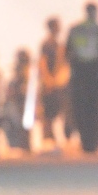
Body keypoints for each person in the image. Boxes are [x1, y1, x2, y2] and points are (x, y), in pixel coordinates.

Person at [66, 2, 98, 154]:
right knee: (95, 108)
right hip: (95, 73)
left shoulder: (75, 29)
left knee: (81, 108)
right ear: (96, 12)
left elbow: (68, 53)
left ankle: (85, 142)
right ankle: (94, 143)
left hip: (79, 73)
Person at [38, 17, 71, 149]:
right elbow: (43, 62)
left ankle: (59, 139)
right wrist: (47, 79)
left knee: (60, 110)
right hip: (50, 83)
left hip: (59, 83)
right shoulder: (47, 43)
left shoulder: (59, 44)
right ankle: (48, 140)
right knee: (49, 113)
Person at [1, 49, 32, 153]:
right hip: (17, 105)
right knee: (18, 131)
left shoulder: (29, 73)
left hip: (22, 104)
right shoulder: (20, 75)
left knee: (23, 132)